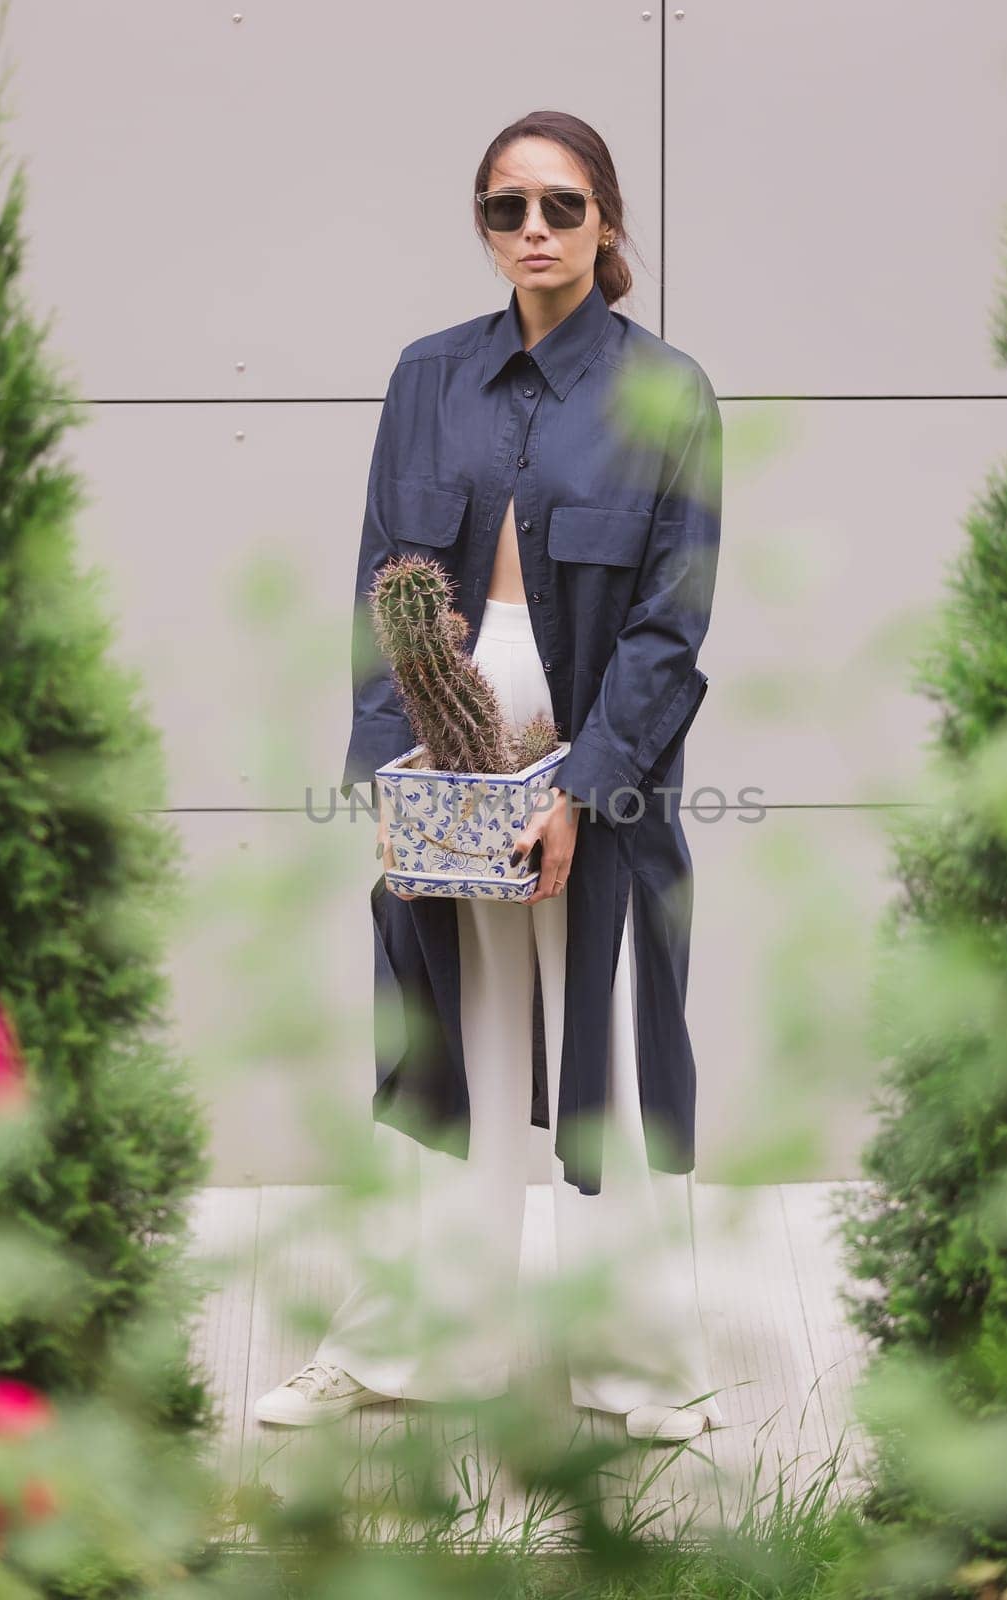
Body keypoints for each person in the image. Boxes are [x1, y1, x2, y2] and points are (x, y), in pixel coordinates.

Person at [254, 110, 725, 1444]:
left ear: (608, 222)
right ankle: (416, 1346)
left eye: (562, 206)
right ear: (483, 224)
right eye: (506, 207)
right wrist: (387, 773)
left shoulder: (667, 390)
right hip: (442, 740)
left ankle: (639, 1367)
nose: (533, 230)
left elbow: (669, 624)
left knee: (603, 1051)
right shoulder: (426, 376)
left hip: (595, 751)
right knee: (451, 1042)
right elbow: (379, 581)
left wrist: (583, 787)